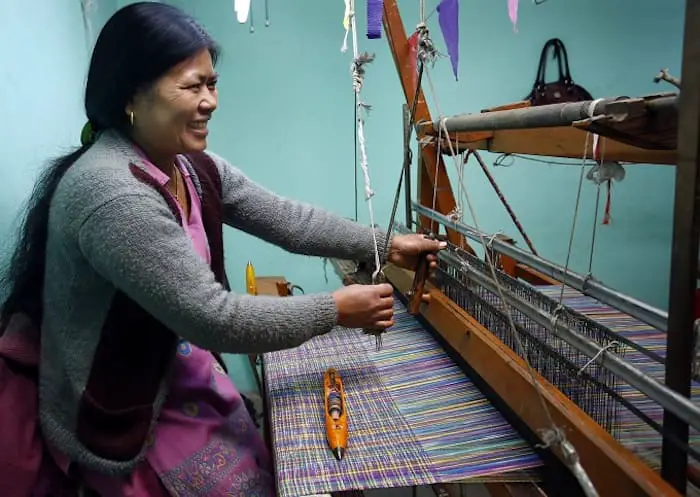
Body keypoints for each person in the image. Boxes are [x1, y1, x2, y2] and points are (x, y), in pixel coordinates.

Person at [0, 2, 445, 496]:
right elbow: (214, 318)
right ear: (131, 94)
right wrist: (336, 310)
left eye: (212, 84)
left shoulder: (189, 166)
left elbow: (287, 220)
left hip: (174, 371)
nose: (210, 101)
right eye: (192, 86)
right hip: (124, 407)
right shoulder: (112, 194)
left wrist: (389, 244)